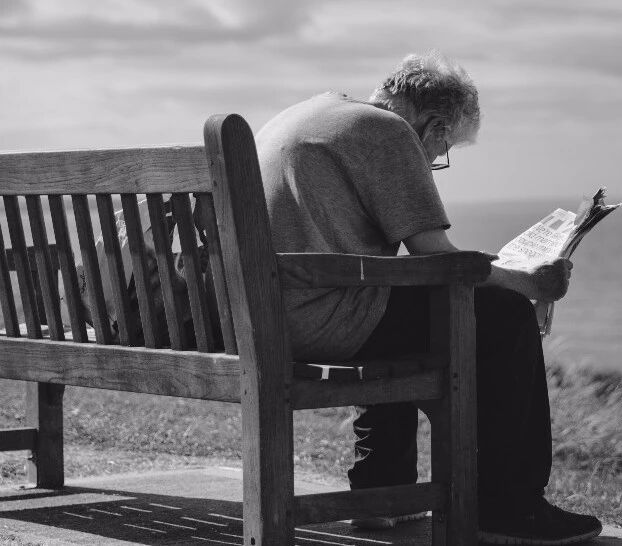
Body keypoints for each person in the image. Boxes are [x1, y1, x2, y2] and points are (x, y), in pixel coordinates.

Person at [255, 51, 603, 545]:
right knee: (504, 317)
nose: (437, 161)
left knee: (401, 304)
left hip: (262, 315)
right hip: (317, 317)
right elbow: (436, 255)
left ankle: (382, 492)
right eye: (445, 147)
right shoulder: (388, 131)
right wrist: (529, 283)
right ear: (436, 125)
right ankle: (509, 508)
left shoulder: (307, 114)